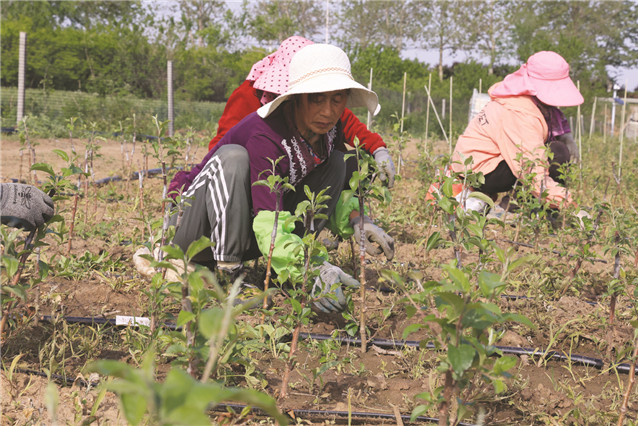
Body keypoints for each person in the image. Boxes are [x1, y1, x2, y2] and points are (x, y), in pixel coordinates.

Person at [155, 44, 394, 313]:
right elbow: (269, 218)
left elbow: (328, 187)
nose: (328, 111)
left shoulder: (328, 130)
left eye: (337, 99)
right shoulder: (266, 132)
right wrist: (309, 270)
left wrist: (359, 219)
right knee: (233, 157)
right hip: (197, 231)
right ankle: (228, 274)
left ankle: (293, 263)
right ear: (297, 98)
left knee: (339, 162)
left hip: (248, 231)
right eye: (317, 98)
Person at [169, 36, 395, 198]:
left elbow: (345, 121)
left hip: (290, 175)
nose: (326, 109)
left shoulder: (316, 104)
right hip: (255, 174)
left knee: (344, 159)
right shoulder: (247, 96)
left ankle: (323, 223)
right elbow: (222, 149)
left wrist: (378, 149)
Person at [448, 51, 583, 211]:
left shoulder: (525, 100)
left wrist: (568, 139)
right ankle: (512, 208)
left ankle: (518, 206)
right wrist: (571, 206)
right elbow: (532, 170)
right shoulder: (520, 111)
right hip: (479, 171)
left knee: (554, 150)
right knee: (556, 152)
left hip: (479, 165)